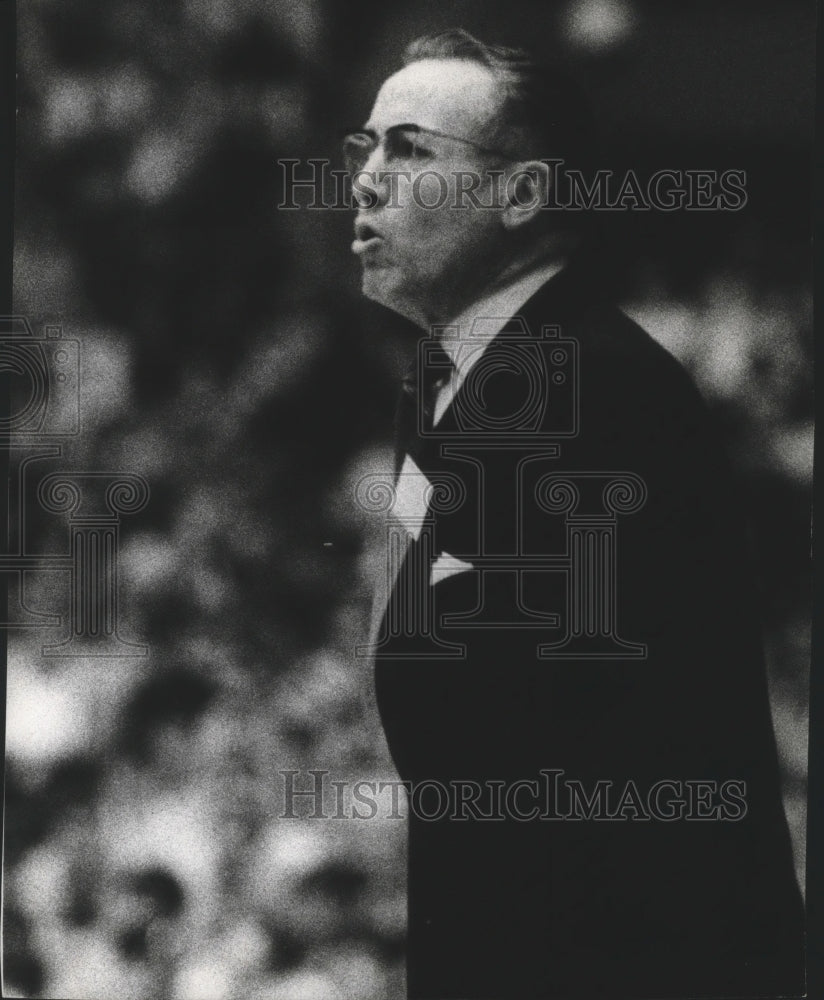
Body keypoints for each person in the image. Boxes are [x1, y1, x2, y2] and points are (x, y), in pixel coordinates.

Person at [347, 29, 804, 999]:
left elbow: (614, 762)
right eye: (365, 148)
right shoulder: (442, 378)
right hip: (491, 926)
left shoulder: (599, 384)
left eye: (410, 149)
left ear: (521, 195)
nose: (364, 180)